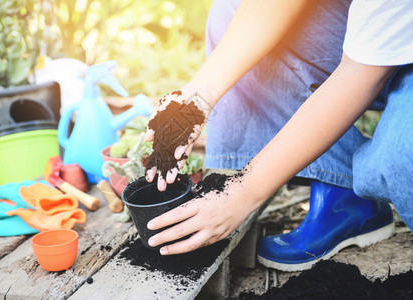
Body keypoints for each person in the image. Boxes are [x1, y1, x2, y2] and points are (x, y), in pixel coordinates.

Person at [143, 0, 413, 271]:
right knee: (233, 8)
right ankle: (345, 194)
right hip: (388, 31)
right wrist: (197, 98)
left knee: (401, 160)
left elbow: (361, 76)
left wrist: (244, 192)